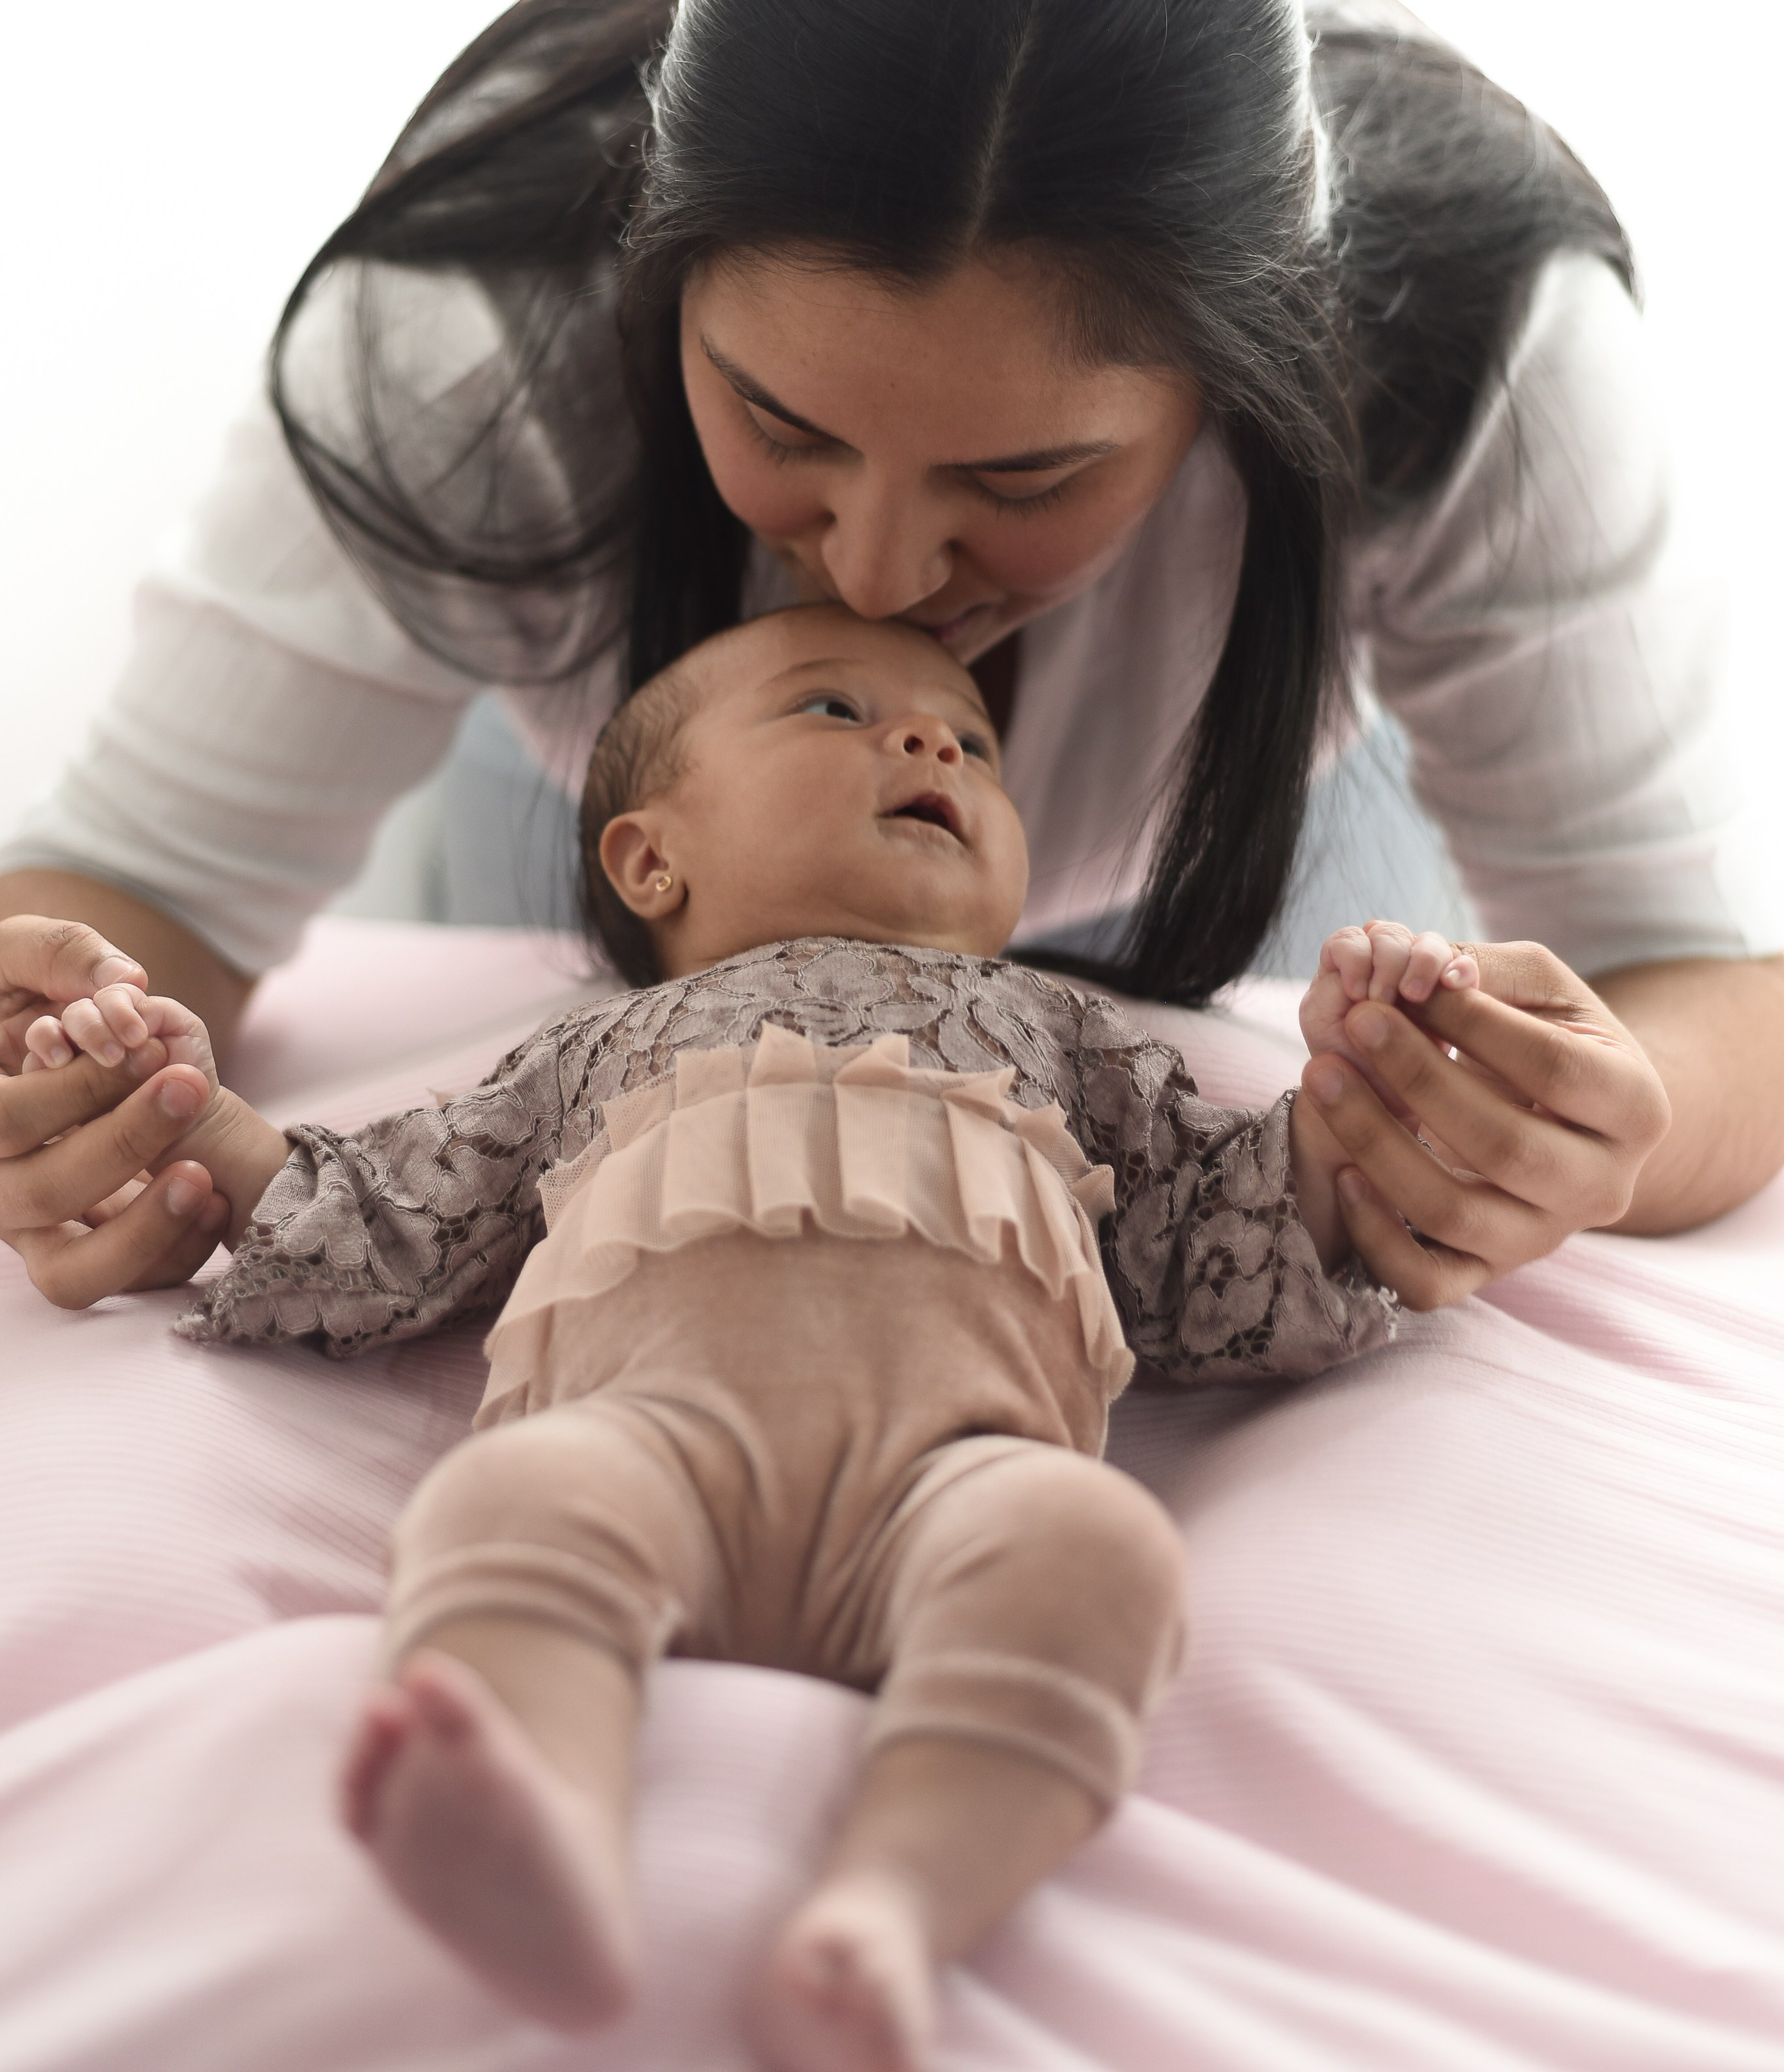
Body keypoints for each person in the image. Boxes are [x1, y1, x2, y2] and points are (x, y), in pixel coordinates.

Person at [2, 0, 1778, 1314]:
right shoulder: (470, 355)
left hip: (1249, 807)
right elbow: (156, 877)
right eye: (778, 423)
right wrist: (61, 1052)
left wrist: (1582, 1131)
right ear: (654, 273)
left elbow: (1694, 974)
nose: (871, 562)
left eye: (1022, 475)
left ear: (1246, 390)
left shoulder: (1471, 361)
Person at [20, 604, 1605, 2070]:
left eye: (969, 743)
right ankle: (543, 1823)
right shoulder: (582, 1049)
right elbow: (379, 1214)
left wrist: (1359, 1109)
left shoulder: (1067, 1036)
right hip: (640, 1444)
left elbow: (1222, 1237)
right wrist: (193, 1117)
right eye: (837, 708)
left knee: (1096, 1553)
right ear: (649, 862)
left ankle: (895, 1905)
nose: (931, 745)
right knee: (504, 1510)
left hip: (966, 1475)